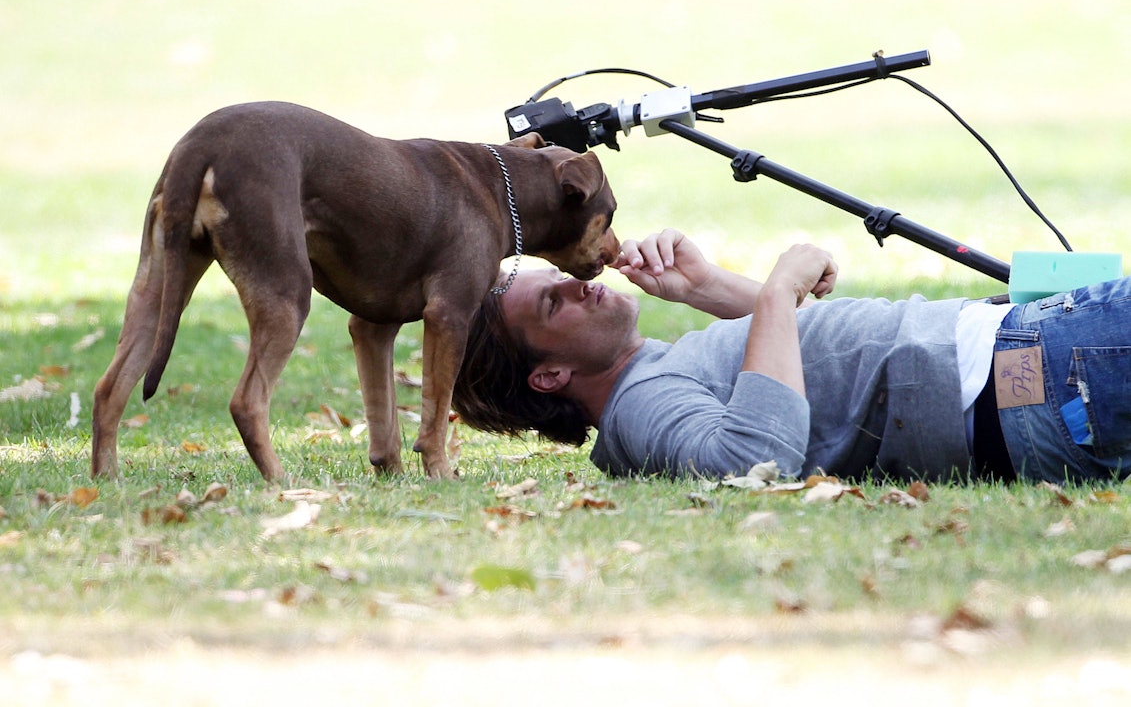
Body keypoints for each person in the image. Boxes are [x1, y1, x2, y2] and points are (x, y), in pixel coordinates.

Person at [451, 229, 1131, 484]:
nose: (579, 284)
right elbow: (752, 459)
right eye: (553, 304)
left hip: (1031, 368)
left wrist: (709, 289)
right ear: (548, 375)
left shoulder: (655, 375)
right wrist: (776, 288)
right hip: (1026, 378)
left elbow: (801, 368)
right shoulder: (639, 408)